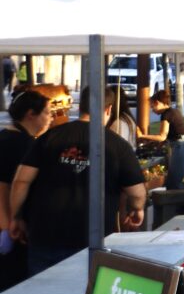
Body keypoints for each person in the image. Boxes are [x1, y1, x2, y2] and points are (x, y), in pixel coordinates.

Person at [10, 87, 145, 275]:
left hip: (45, 236)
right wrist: (137, 209)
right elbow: (136, 192)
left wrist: (16, 217)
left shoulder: (49, 137)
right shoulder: (117, 145)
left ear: (80, 106)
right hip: (92, 240)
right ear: (108, 110)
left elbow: (21, 181)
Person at [0, 90, 51, 291]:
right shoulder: (23, 144)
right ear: (31, 114)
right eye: (47, 113)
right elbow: (4, 185)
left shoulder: (6, 136)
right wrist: (7, 224)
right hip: (11, 227)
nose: (50, 118)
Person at [137, 90, 184, 190]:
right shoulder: (173, 111)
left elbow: (162, 136)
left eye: (152, 106)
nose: (152, 110)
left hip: (181, 146)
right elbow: (169, 135)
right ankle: (177, 203)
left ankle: (177, 203)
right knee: (174, 179)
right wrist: (155, 142)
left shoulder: (166, 114)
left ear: (157, 103)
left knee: (174, 181)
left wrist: (142, 136)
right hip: (183, 145)